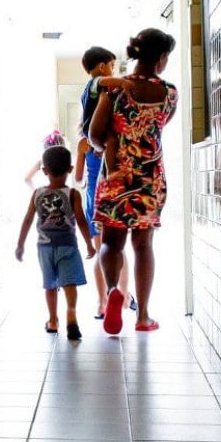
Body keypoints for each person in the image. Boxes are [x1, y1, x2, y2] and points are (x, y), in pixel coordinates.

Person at [89, 28, 178, 334]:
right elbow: (157, 128)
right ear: (162, 59)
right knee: (144, 245)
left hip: (117, 176)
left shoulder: (114, 91)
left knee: (112, 245)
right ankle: (143, 316)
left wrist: (112, 146)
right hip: (150, 179)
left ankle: (114, 290)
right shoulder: (169, 94)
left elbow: (95, 135)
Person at [16, 145, 97, 340]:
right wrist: (89, 243)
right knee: (69, 283)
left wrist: (20, 244)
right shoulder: (73, 194)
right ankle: (71, 312)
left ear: (44, 171)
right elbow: (81, 220)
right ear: (70, 169)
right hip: (68, 245)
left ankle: (53, 320)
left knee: (50, 285)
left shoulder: (37, 194)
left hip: (45, 247)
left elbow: (27, 219)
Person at [75, 132, 134, 318]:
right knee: (119, 248)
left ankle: (102, 303)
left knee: (101, 251)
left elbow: (78, 178)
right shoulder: (117, 136)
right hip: (117, 194)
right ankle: (124, 296)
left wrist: (86, 181)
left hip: (95, 198)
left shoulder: (84, 143)